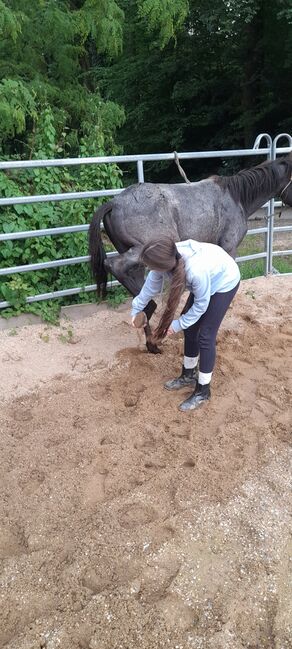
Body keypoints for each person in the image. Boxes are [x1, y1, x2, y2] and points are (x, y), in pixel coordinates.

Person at [131, 237, 240, 411]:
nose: (150, 269)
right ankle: (188, 375)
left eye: (151, 266)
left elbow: (201, 305)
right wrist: (135, 311)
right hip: (206, 281)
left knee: (205, 336)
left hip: (224, 281)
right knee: (190, 329)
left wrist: (176, 325)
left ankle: (203, 390)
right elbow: (147, 291)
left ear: (162, 265)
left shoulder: (195, 270)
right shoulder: (165, 262)